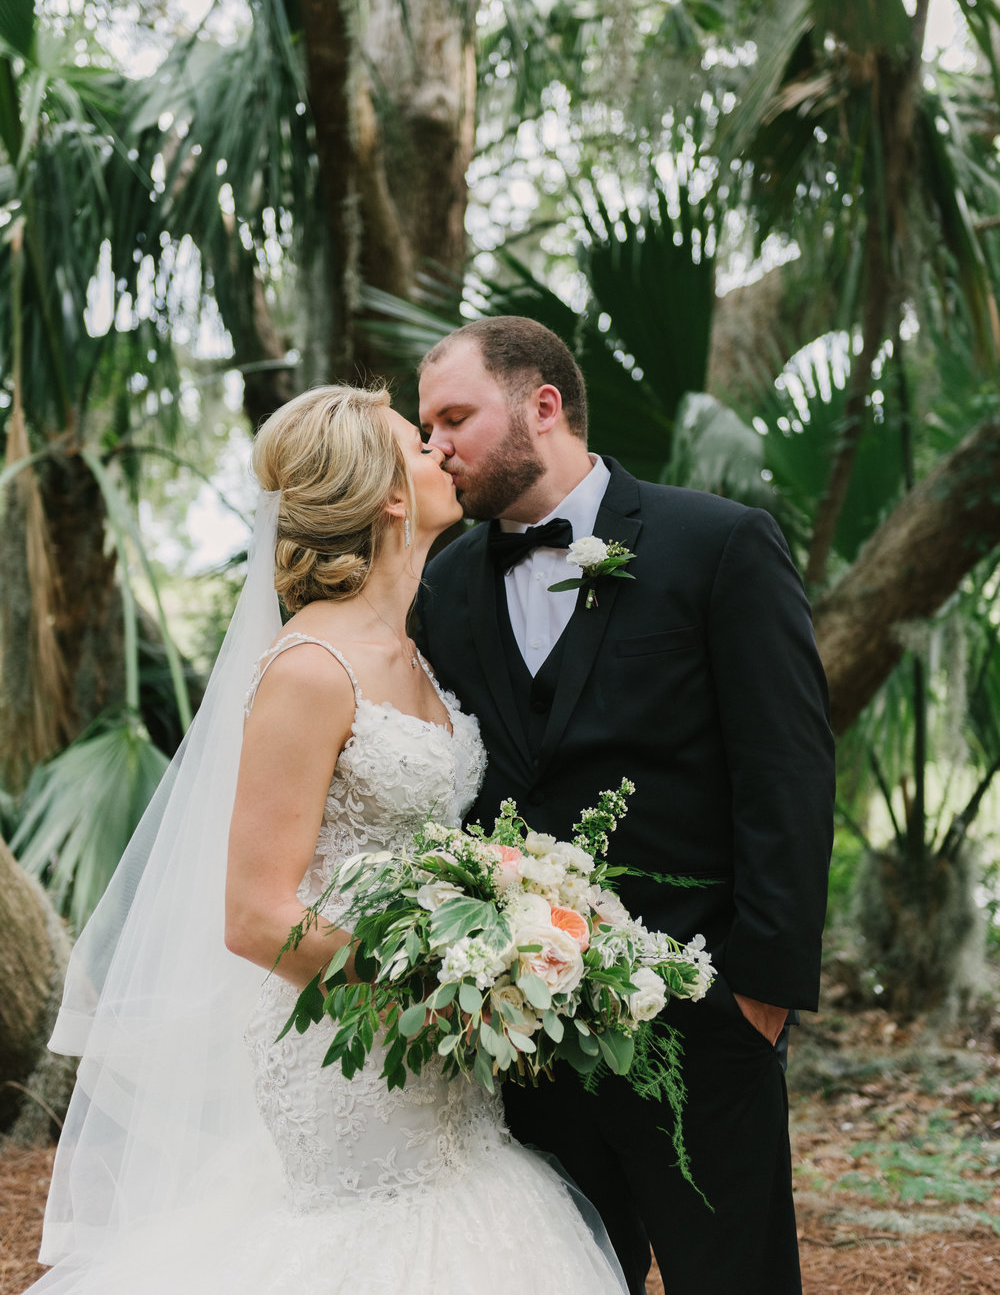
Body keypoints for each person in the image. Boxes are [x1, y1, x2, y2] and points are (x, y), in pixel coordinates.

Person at [29, 384, 627, 1295]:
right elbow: (252, 913)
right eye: (418, 446)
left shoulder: (414, 650)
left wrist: (489, 958)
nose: (441, 451)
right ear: (389, 496)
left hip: (446, 1044)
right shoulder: (311, 670)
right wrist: (429, 992)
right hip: (349, 1035)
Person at [415, 316, 836, 1295]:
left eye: (454, 416)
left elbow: (786, 767)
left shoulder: (718, 545)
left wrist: (758, 998)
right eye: (426, 423)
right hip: (524, 1047)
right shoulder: (441, 587)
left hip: (703, 1020)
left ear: (542, 406)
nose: (435, 445)